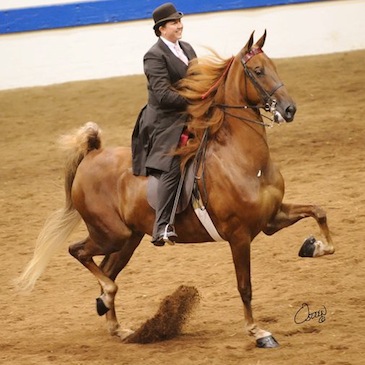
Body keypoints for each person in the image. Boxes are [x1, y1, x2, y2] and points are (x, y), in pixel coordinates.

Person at [131, 2, 197, 246]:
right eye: (173, 23)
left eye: (179, 21)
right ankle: (163, 225)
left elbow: (198, 79)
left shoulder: (188, 48)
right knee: (173, 163)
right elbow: (162, 95)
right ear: (161, 29)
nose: (179, 25)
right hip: (164, 121)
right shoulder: (154, 55)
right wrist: (197, 99)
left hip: (189, 113)